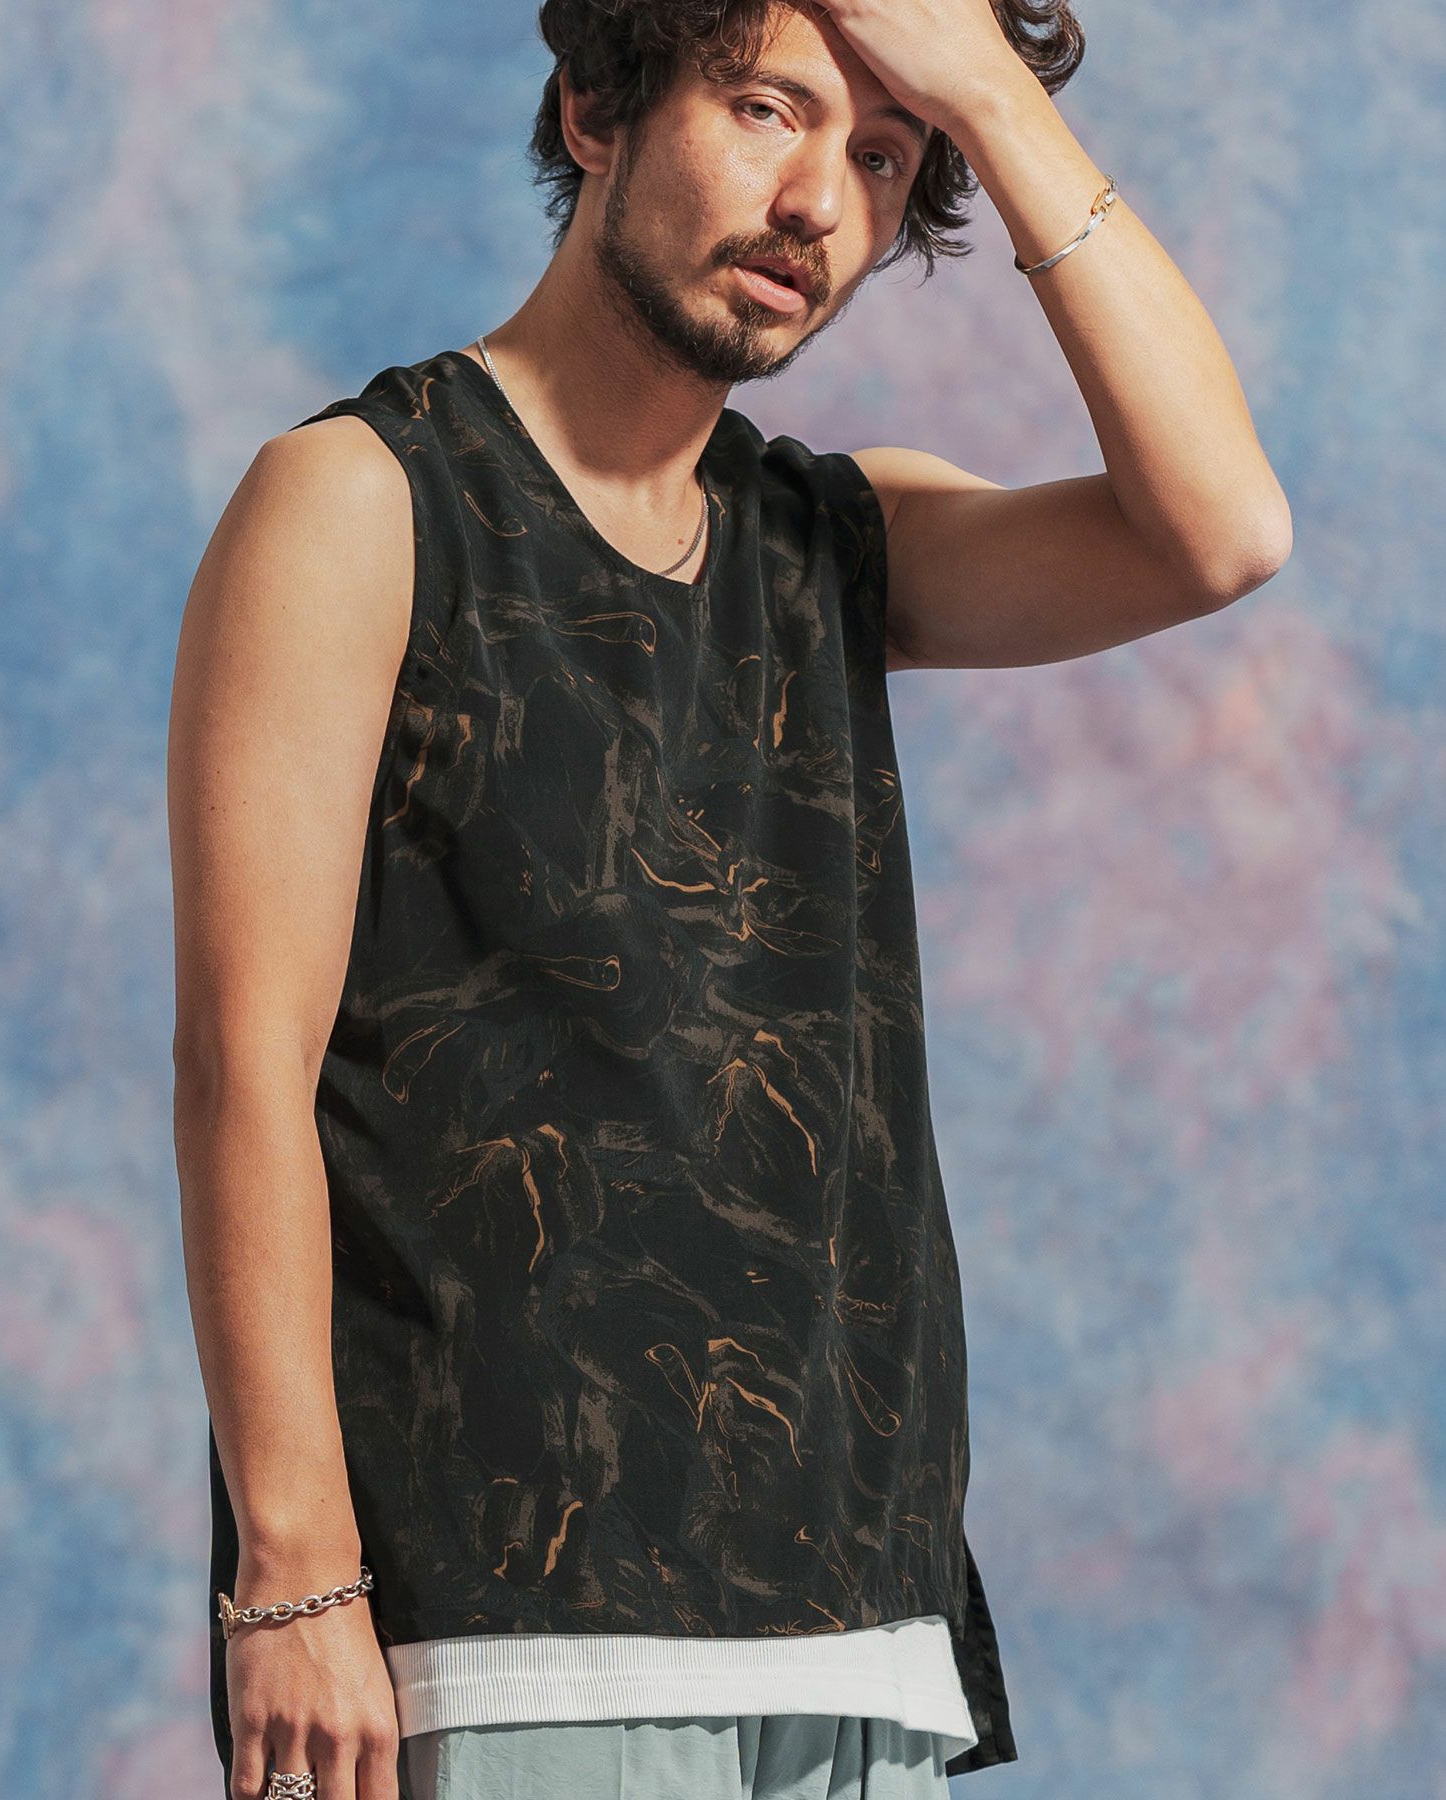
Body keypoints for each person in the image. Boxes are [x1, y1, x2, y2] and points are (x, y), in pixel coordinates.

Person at [166, 0, 1292, 1795]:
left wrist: (987, 94)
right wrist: (291, 1576)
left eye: (882, 156)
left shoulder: (835, 542)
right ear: (594, 107)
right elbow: (245, 1070)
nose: (819, 204)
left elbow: (1220, 531)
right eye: (768, 108)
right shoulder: (365, 503)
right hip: (513, 1633)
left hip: (862, 1632)